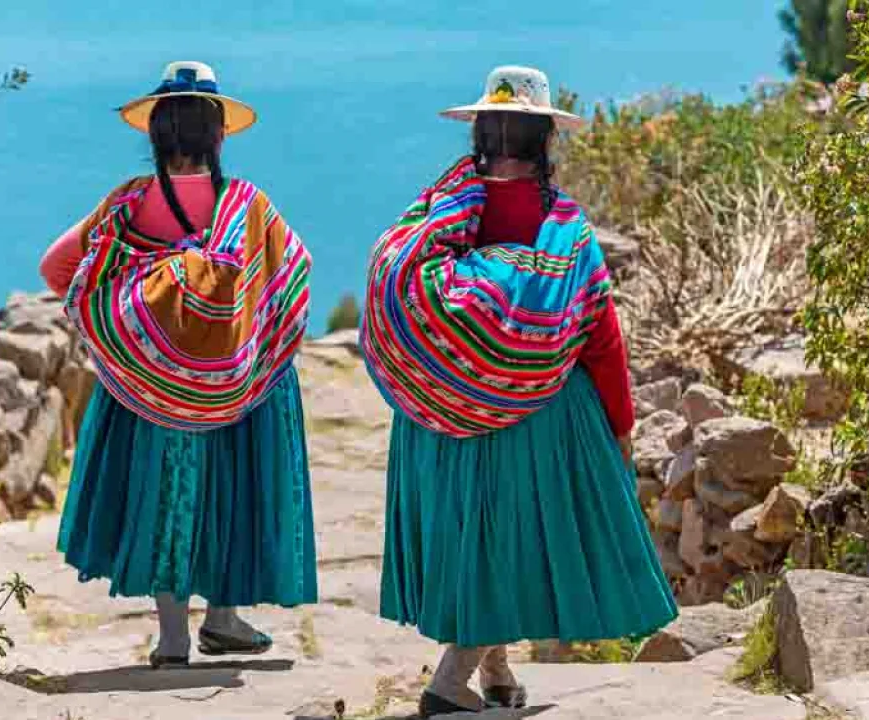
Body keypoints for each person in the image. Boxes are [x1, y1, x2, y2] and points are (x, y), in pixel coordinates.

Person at [361, 65, 678, 716]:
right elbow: (601, 336)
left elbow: (395, 278)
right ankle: (450, 681)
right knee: (507, 540)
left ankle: (498, 671)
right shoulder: (563, 228)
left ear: (480, 134)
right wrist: (620, 424)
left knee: (475, 537)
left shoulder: (439, 210)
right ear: (544, 140)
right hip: (537, 414)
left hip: (443, 415)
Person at [40, 61, 317, 669]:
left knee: (165, 492)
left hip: (148, 392)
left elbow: (56, 269)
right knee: (232, 487)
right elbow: (293, 279)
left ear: (155, 135)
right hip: (238, 391)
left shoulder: (128, 207)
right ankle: (224, 617)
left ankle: (172, 637)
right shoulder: (248, 207)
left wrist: (127, 331)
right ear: (219, 136)